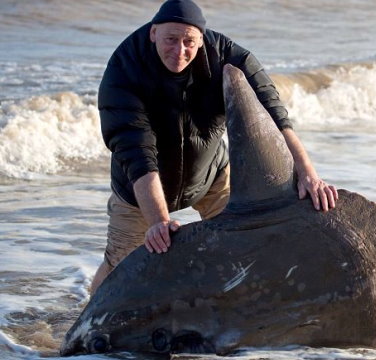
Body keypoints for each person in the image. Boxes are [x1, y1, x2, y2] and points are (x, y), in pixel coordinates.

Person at [91, 0, 338, 293]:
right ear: (153, 33)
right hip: (138, 192)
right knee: (121, 270)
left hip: (210, 178)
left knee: (248, 250)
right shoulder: (124, 70)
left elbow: (273, 113)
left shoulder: (226, 56)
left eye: (189, 42)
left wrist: (308, 173)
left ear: (201, 39)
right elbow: (136, 152)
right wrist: (159, 221)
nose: (179, 51)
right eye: (171, 39)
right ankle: (81, 327)